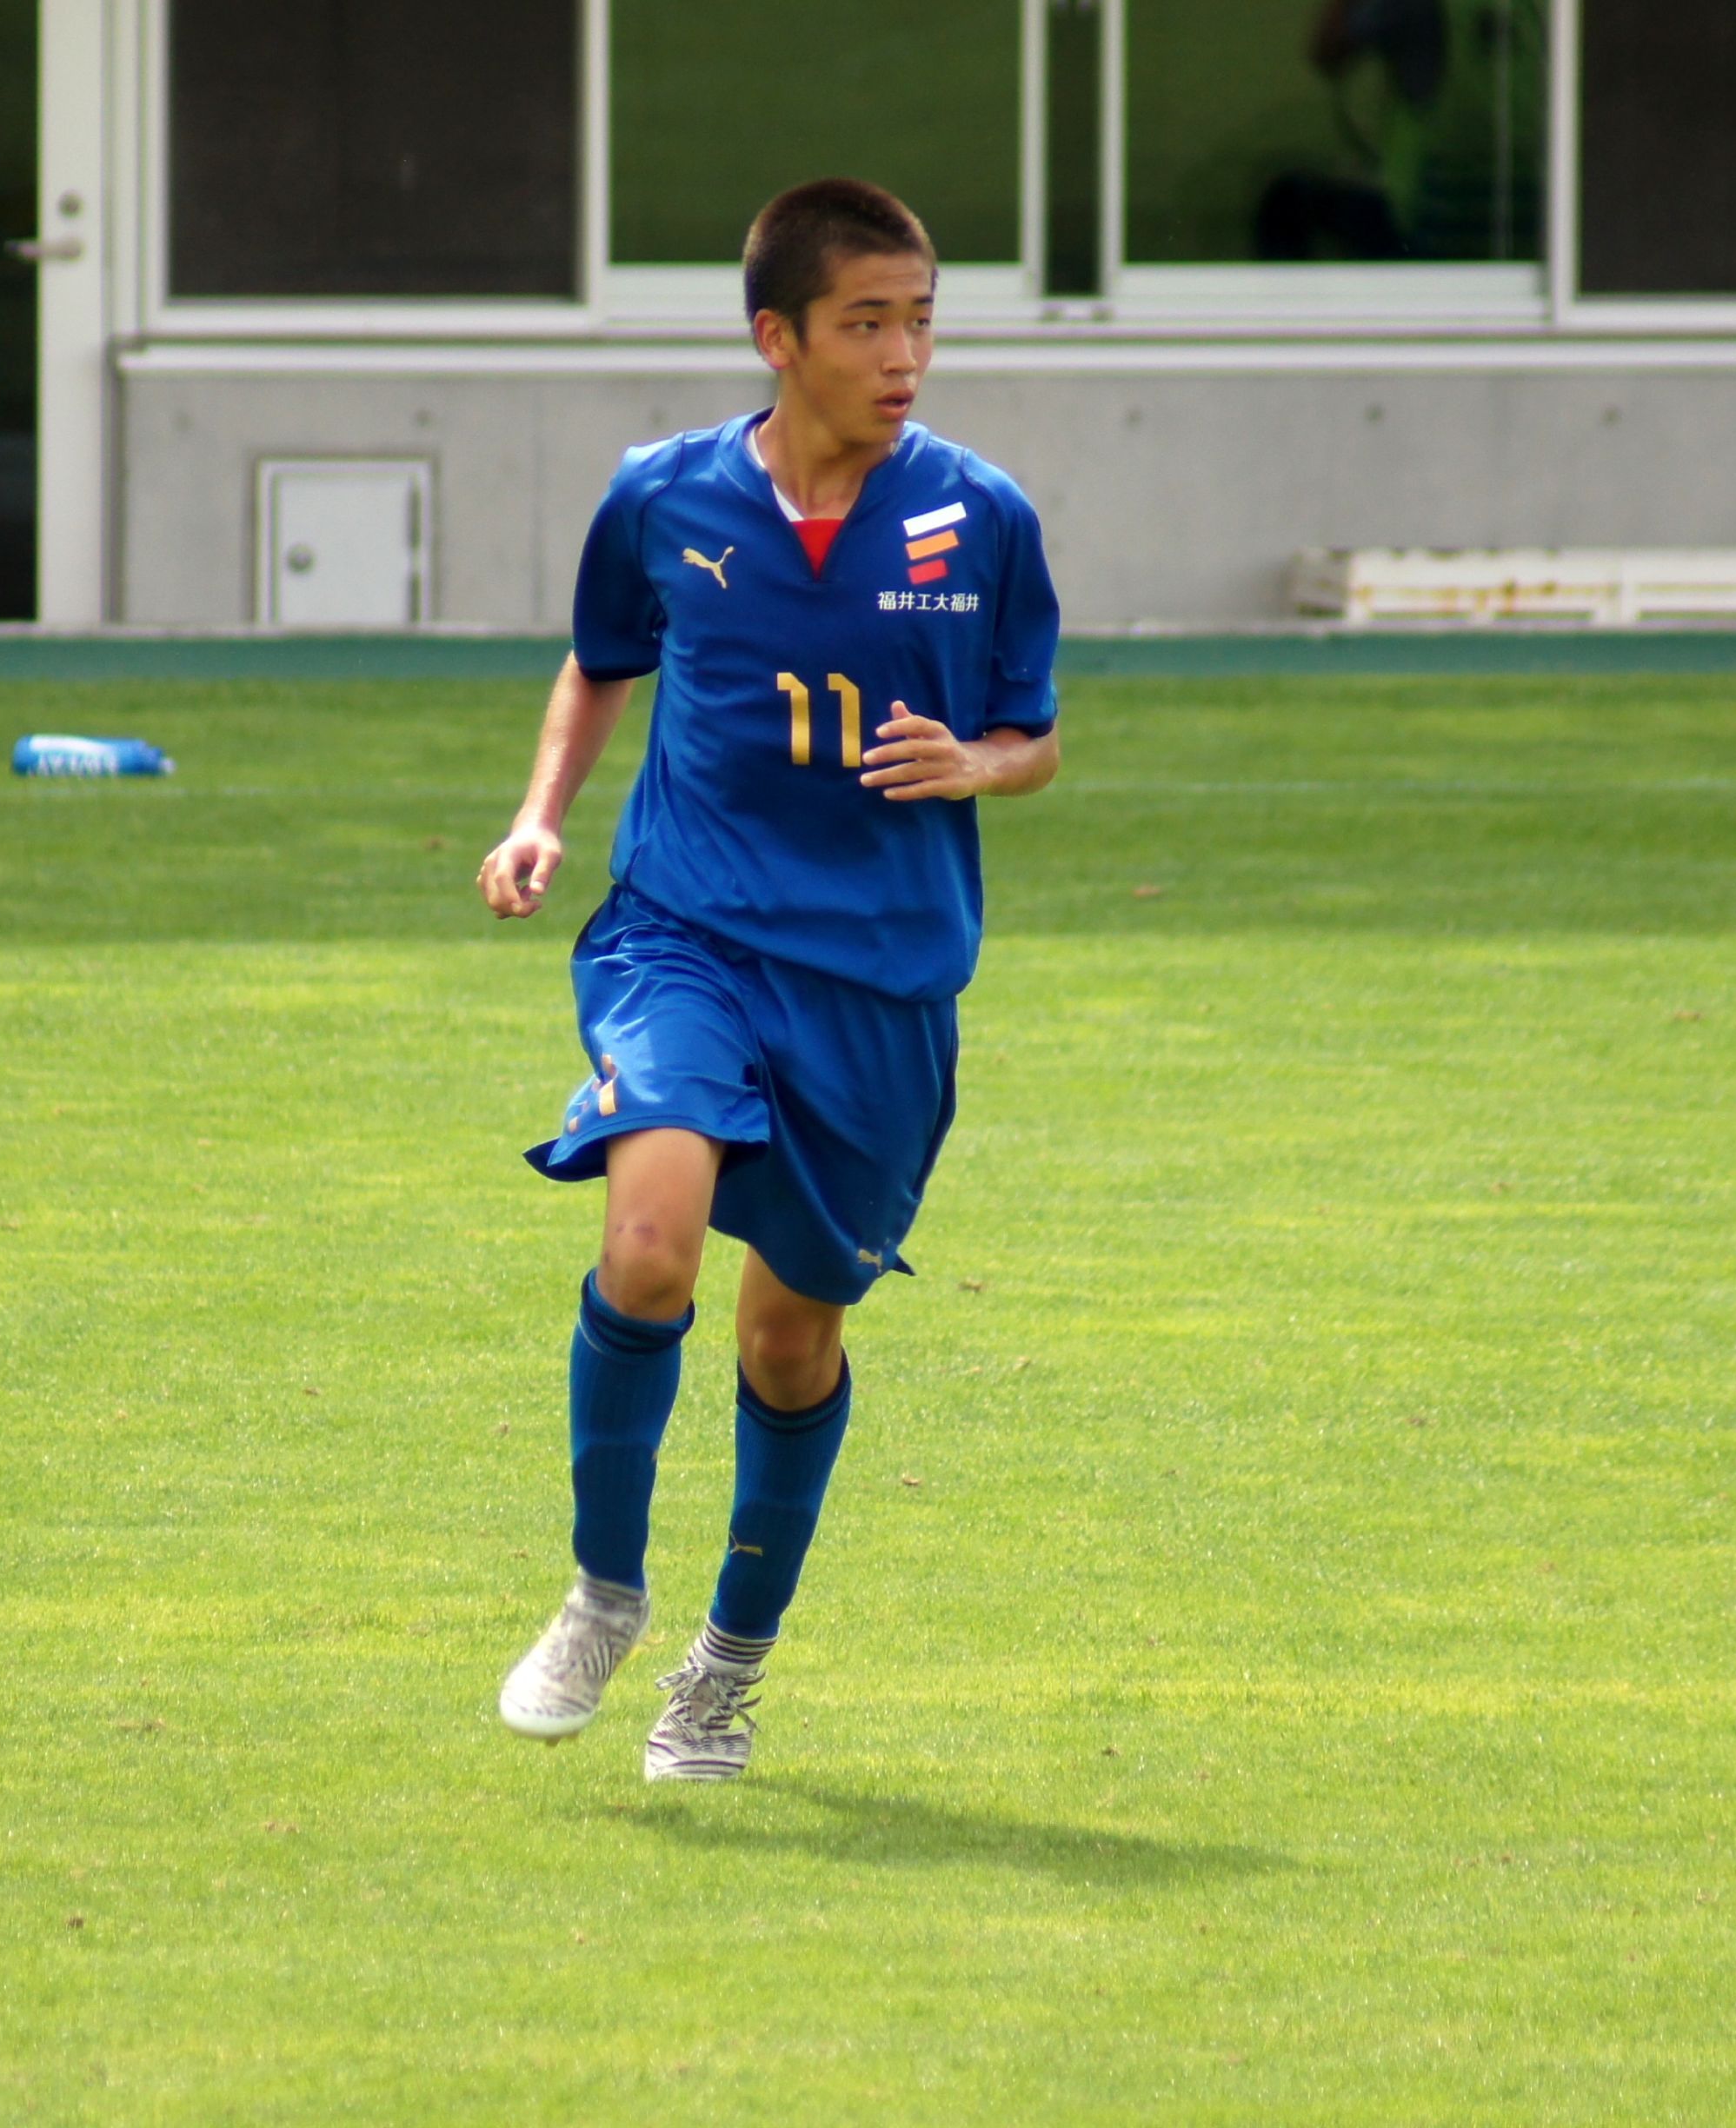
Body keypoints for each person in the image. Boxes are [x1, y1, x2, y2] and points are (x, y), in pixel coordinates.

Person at [477, 178, 1061, 1783]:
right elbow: (602, 662)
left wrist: (980, 766)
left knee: (789, 1344)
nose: (903, 356)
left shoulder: (982, 517)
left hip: (878, 987)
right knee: (648, 1240)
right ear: (776, 337)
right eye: (867, 323)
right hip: (687, 935)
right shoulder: (664, 497)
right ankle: (602, 1593)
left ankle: (726, 1666)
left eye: (921, 321)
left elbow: (1034, 734)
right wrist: (541, 817)